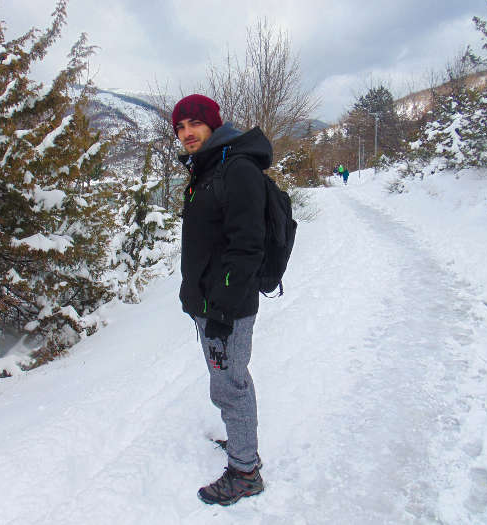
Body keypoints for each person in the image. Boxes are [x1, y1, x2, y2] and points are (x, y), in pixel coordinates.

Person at [172, 94, 268, 506]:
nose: (187, 133)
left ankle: (245, 472)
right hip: (208, 304)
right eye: (180, 127)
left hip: (223, 309)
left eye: (194, 123)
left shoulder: (237, 170)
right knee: (226, 382)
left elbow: (247, 246)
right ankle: (240, 443)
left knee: (231, 386)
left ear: (213, 124)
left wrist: (222, 312)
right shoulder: (210, 167)